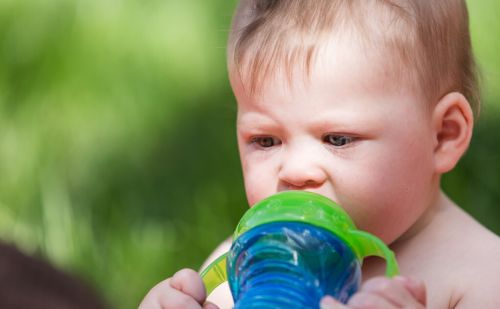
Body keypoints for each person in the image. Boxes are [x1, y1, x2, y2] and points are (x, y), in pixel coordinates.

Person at [139, 0, 500, 308]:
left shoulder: (480, 275)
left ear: (442, 136)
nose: (295, 171)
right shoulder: (243, 264)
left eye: (338, 139)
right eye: (266, 140)